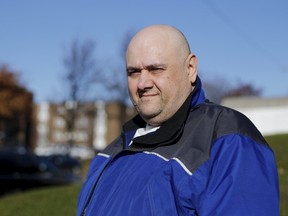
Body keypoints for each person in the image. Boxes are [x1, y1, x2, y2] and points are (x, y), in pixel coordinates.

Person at [77, 25, 279, 216]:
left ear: (190, 68)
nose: (143, 83)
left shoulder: (227, 139)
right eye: (133, 72)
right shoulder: (109, 154)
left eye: (156, 69)